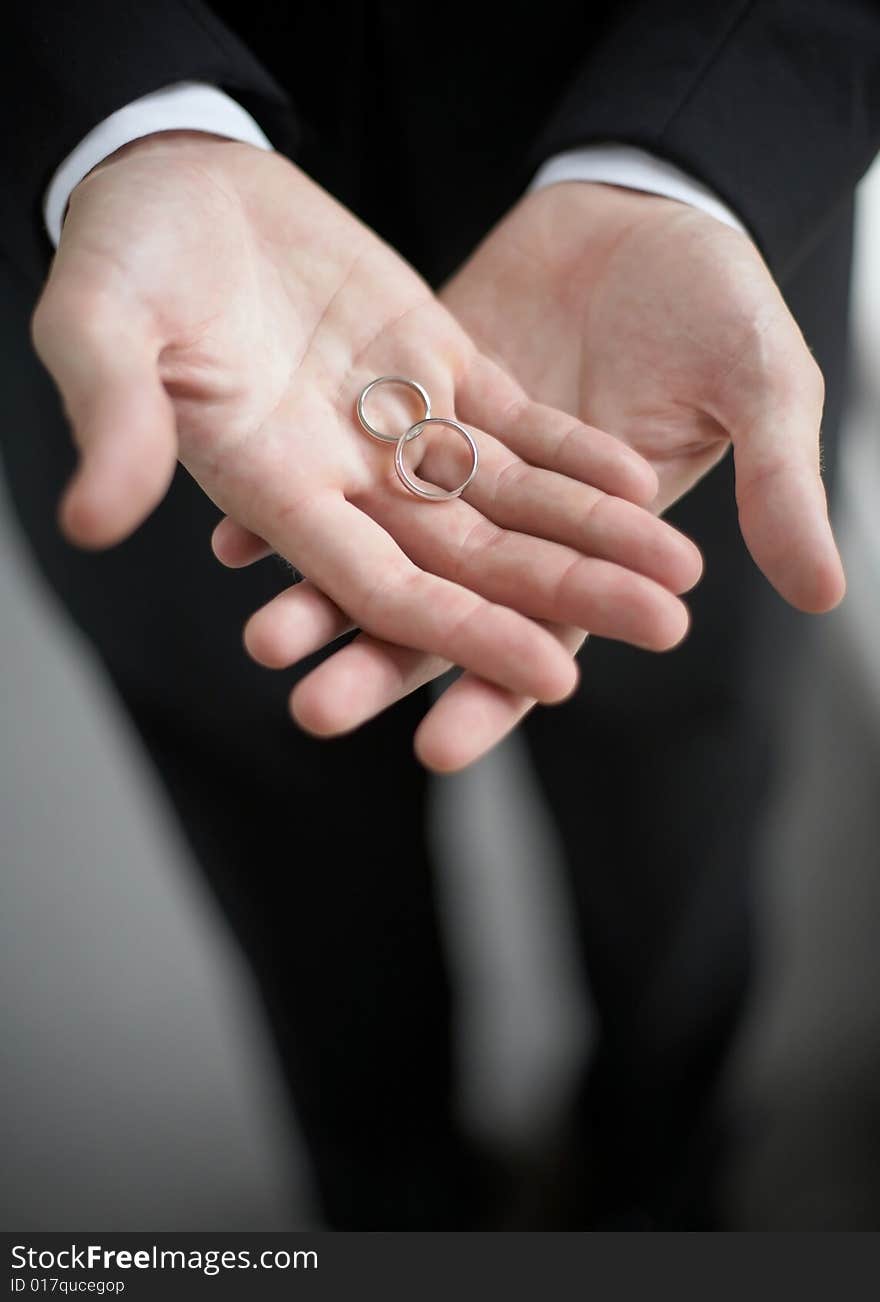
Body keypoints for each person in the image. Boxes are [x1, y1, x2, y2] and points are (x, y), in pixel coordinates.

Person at [1, 2, 877, 1228]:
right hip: (197, 403)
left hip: (663, 384)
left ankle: (660, 1193)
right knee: (319, 950)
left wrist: (698, 151)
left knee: (676, 903)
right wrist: (128, 124)